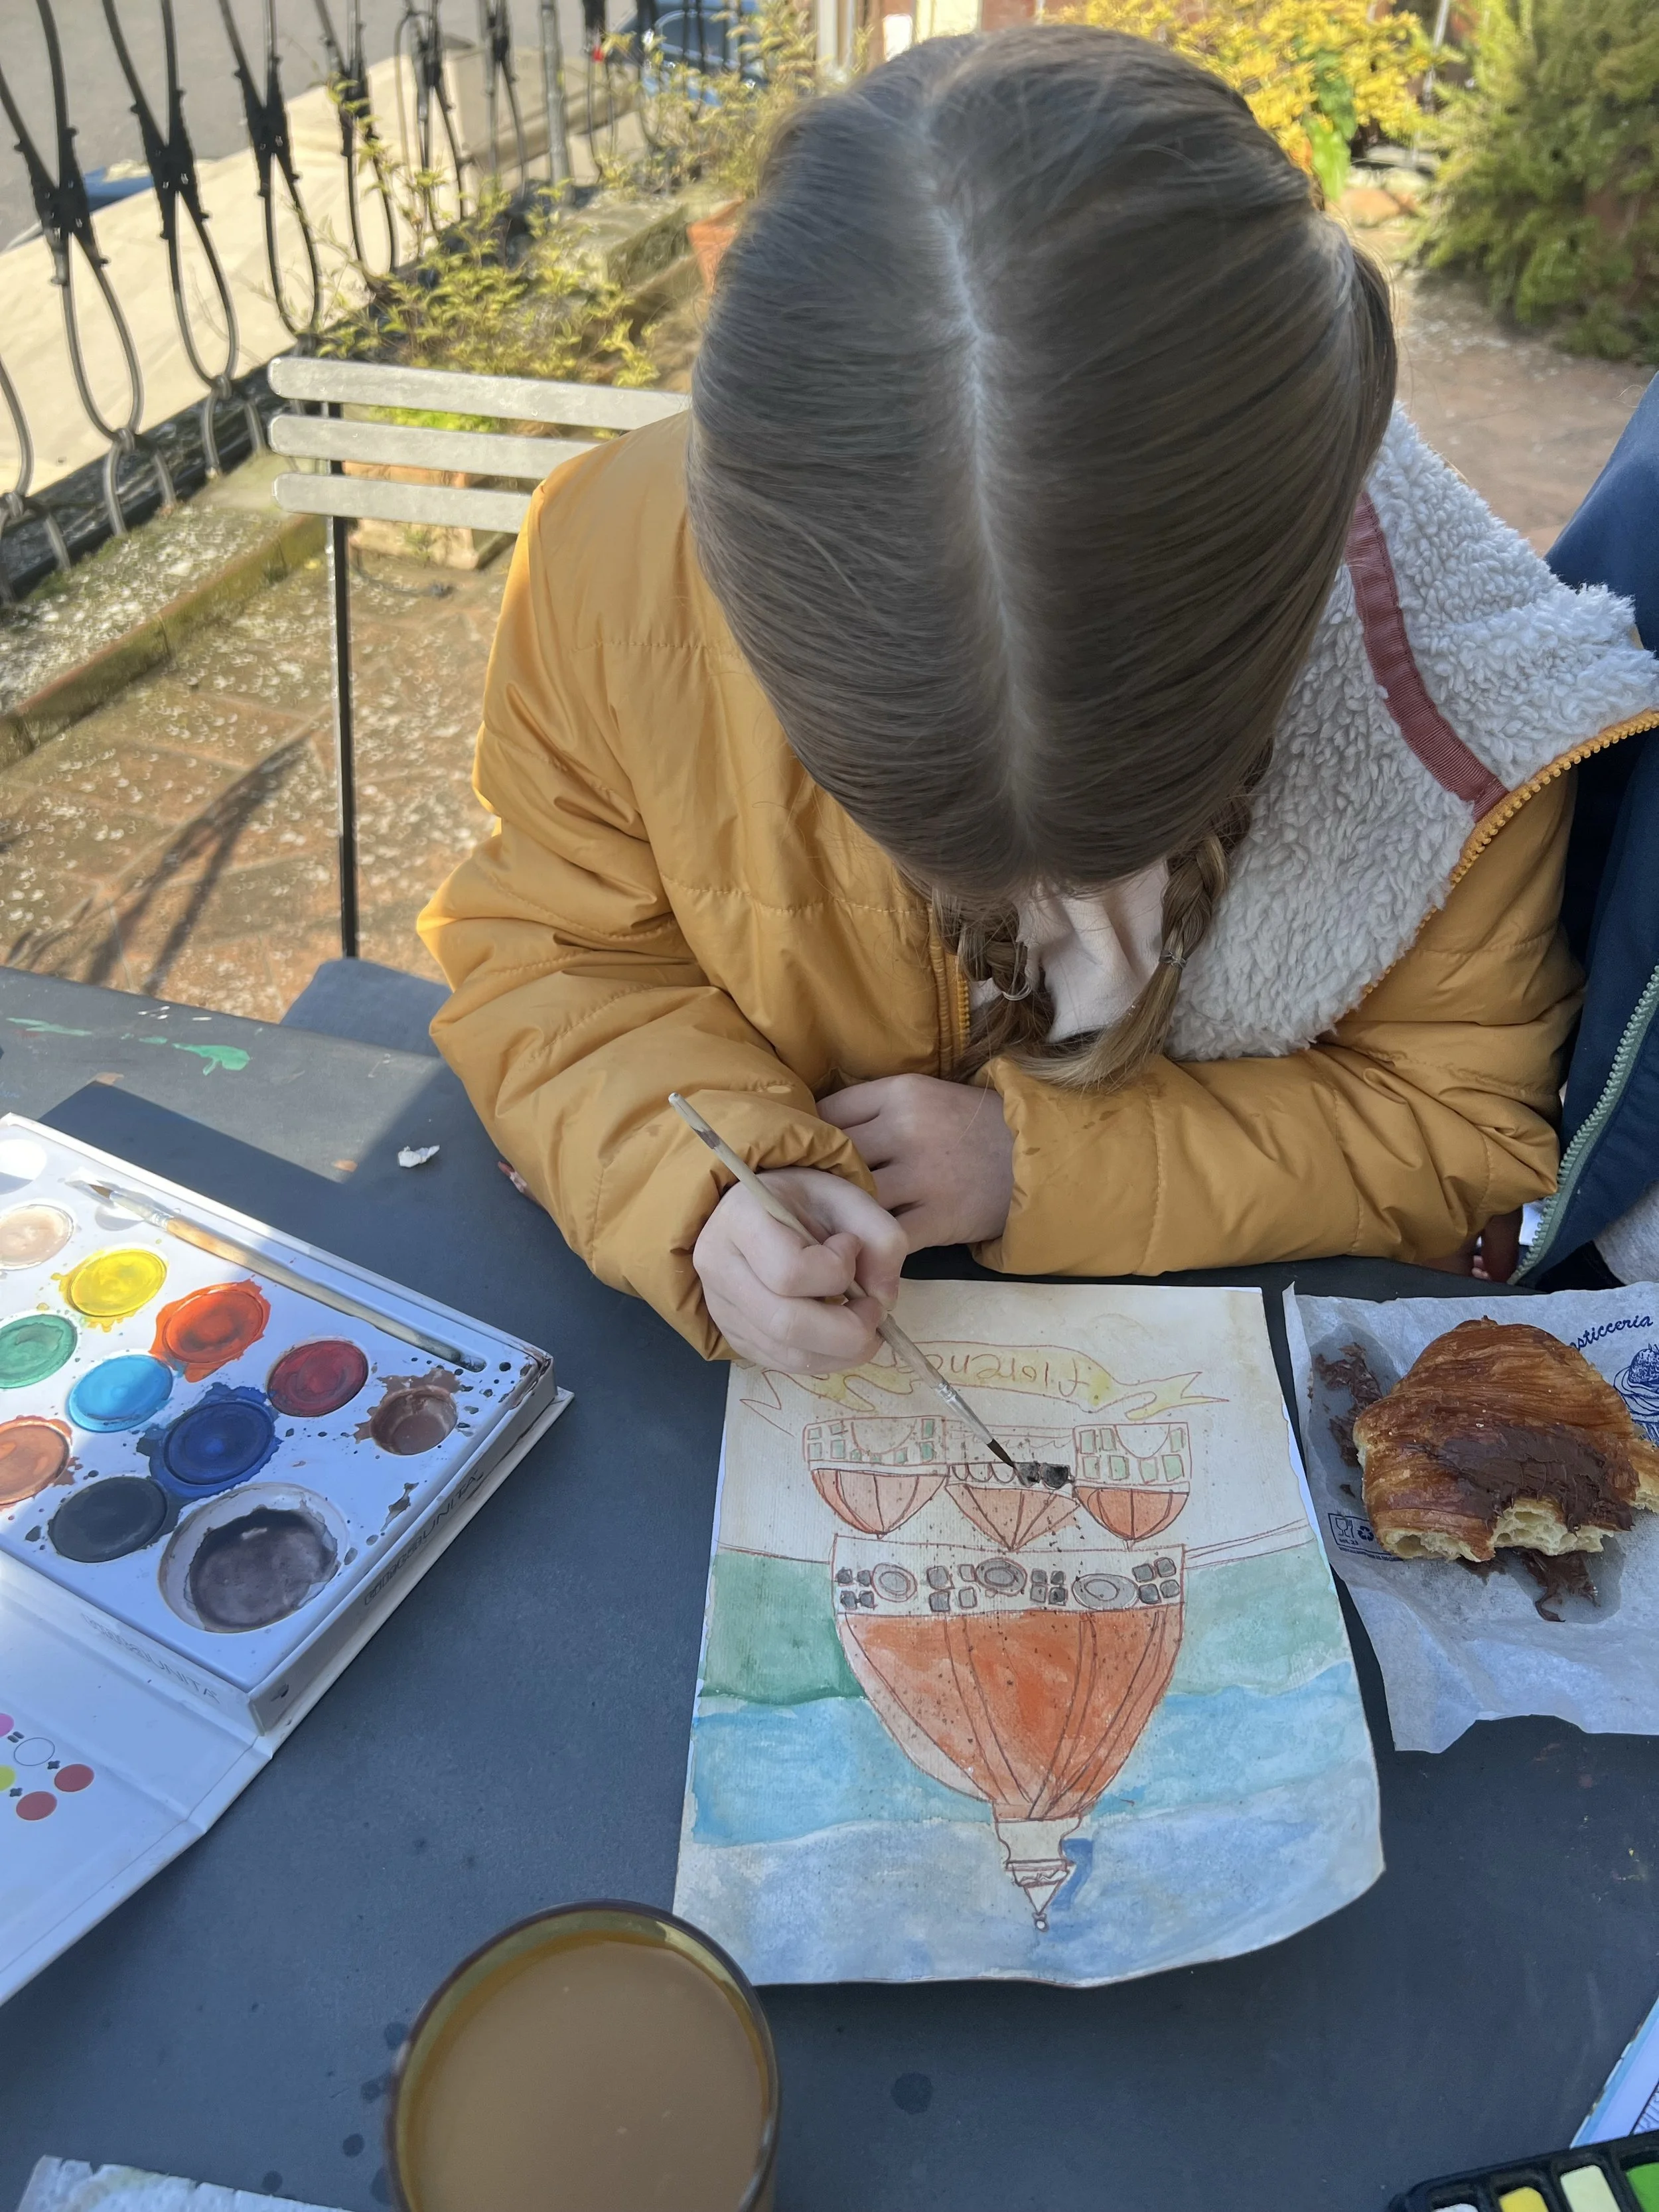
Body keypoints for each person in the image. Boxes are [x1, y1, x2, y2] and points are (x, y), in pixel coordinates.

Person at [419, 27, 1659, 1375]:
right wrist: (702, 1184)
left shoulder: (1455, 717)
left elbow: (1461, 1136)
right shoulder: (611, 558)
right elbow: (552, 956)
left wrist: (1042, 1165)